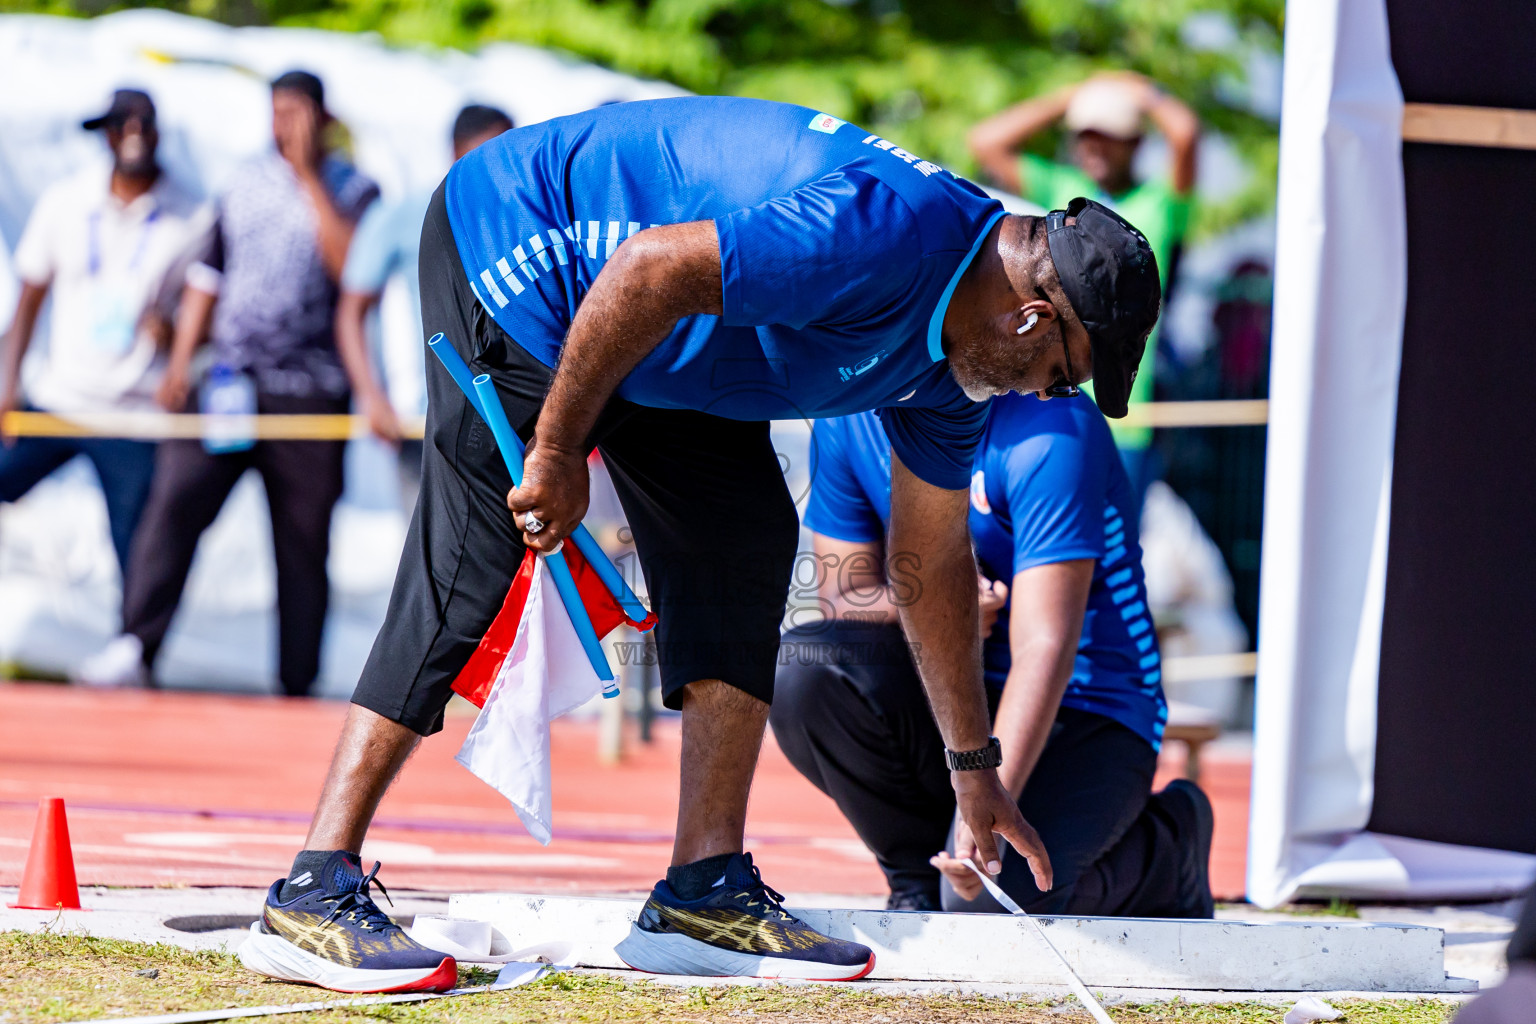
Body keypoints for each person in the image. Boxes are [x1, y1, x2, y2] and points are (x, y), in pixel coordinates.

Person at [242, 96, 1161, 994]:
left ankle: (702, 893)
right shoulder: (890, 234)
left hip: (665, 329)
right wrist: (559, 450)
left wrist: (975, 768)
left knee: (746, 541)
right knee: (476, 553)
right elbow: (646, 269)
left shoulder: (949, 380)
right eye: (1061, 376)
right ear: (1033, 318)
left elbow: (934, 568)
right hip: (529, 247)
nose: (1048, 397)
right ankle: (314, 885)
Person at [770, 395, 1213, 917]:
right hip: (956, 693)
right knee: (805, 670)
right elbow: (843, 596)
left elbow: (1043, 646)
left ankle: (1169, 847)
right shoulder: (849, 412)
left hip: (1087, 706)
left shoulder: (1052, 423)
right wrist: (939, 607)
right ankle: (916, 878)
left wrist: (978, 809)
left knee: (989, 906)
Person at [75, 71, 379, 693]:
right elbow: (208, 275)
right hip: (231, 384)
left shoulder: (354, 187)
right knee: (175, 503)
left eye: (296, 112)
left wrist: (308, 177)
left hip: (310, 395)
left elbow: (353, 269)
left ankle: (297, 678)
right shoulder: (241, 181)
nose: (283, 125)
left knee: (302, 540)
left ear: (322, 118)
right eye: (276, 112)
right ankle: (136, 642)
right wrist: (183, 360)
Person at [0, 88, 203, 584]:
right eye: (122, 125)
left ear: (158, 133)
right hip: (58, 398)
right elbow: (27, 300)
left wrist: (174, 343)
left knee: (138, 551)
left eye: (142, 125)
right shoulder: (66, 200)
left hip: (133, 413)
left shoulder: (193, 215)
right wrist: (6, 388)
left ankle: (131, 653)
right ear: (106, 135)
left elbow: (206, 317)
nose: (133, 135)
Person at [968, 71, 1199, 498]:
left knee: (1110, 549)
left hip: (1128, 419)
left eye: (1107, 135)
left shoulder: (1161, 202)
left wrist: (1141, 92)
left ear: (1134, 143)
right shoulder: (1062, 189)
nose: (1092, 144)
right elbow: (985, 142)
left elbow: (1185, 133)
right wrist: (1074, 94)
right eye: (1084, 134)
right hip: (1050, 406)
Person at [334, 104, 513, 509]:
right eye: (490, 154)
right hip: (423, 420)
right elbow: (352, 310)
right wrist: (371, 396)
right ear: (457, 153)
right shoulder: (404, 215)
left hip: (504, 419)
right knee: (430, 555)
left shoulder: (519, 219)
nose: (501, 169)